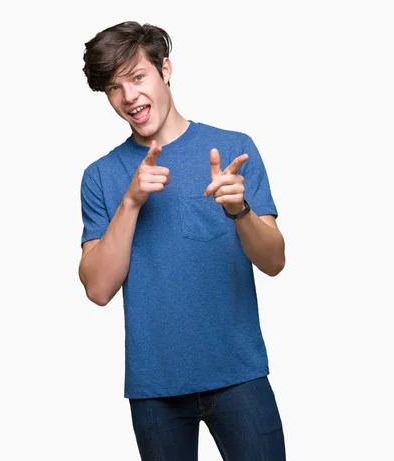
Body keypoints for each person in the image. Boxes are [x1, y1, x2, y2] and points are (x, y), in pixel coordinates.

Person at [79, 21, 287, 460]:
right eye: (115, 88)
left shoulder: (233, 148)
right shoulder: (100, 176)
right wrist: (131, 201)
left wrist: (239, 210)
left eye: (138, 77)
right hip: (156, 385)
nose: (130, 97)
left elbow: (273, 260)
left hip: (239, 373)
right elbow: (98, 289)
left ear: (165, 69)